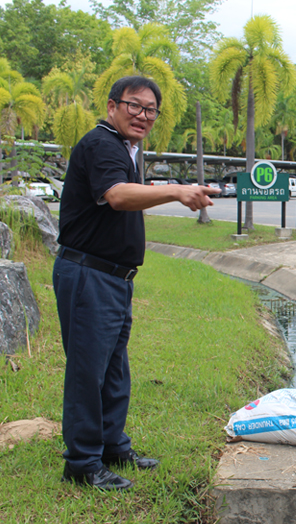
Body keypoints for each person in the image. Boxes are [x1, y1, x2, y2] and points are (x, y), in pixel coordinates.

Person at [55, 76, 219, 490]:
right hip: (89, 273)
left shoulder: (124, 149)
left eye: (151, 110)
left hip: (112, 277)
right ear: (113, 106)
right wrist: (176, 191)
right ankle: (82, 463)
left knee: (113, 370)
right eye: (135, 106)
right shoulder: (102, 143)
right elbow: (117, 196)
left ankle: (112, 445)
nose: (143, 116)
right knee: (87, 372)